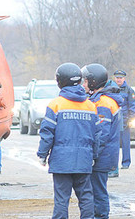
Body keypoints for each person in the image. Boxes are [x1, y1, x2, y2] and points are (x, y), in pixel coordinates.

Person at [37, 62, 101, 219]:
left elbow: (47, 133)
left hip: (61, 162)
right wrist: (94, 155)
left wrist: (42, 154)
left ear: (60, 81)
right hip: (83, 161)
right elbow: (97, 135)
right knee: (86, 198)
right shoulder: (90, 106)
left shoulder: (55, 105)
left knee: (61, 200)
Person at [81, 64, 123, 218]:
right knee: (95, 191)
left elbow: (101, 135)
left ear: (93, 82)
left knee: (98, 192)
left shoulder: (103, 103)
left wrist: (92, 155)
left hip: (101, 157)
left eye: (85, 82)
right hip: (101, 155)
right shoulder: (98, 99)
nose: (83, 85)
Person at [113, 70, 135, 173]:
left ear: (124, 79)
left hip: (125, 122)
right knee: (113, 144)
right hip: (114, 121)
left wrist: (132, 119)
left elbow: (132, 106)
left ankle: (126, 163)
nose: (118, 79)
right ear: (115, 78)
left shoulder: (129, 90)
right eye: (117, 78)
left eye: (120, 78)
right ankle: (113, 164)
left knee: (126, 143)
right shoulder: (112, 89)